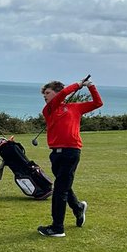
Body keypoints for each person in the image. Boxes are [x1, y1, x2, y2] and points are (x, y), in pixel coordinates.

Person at [37, 75, 103, 238]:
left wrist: (90, 87)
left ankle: (57, 228)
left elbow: (97, 103)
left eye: (47, 92)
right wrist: (78, 85)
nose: (45, 96)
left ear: (56, 91)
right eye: (44, 94)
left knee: (60, 190)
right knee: (63, 185)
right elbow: (62, 95)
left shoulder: (75, 108)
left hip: (71, 151)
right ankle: (78, 207)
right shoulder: (49, 109)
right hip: (55, 154)